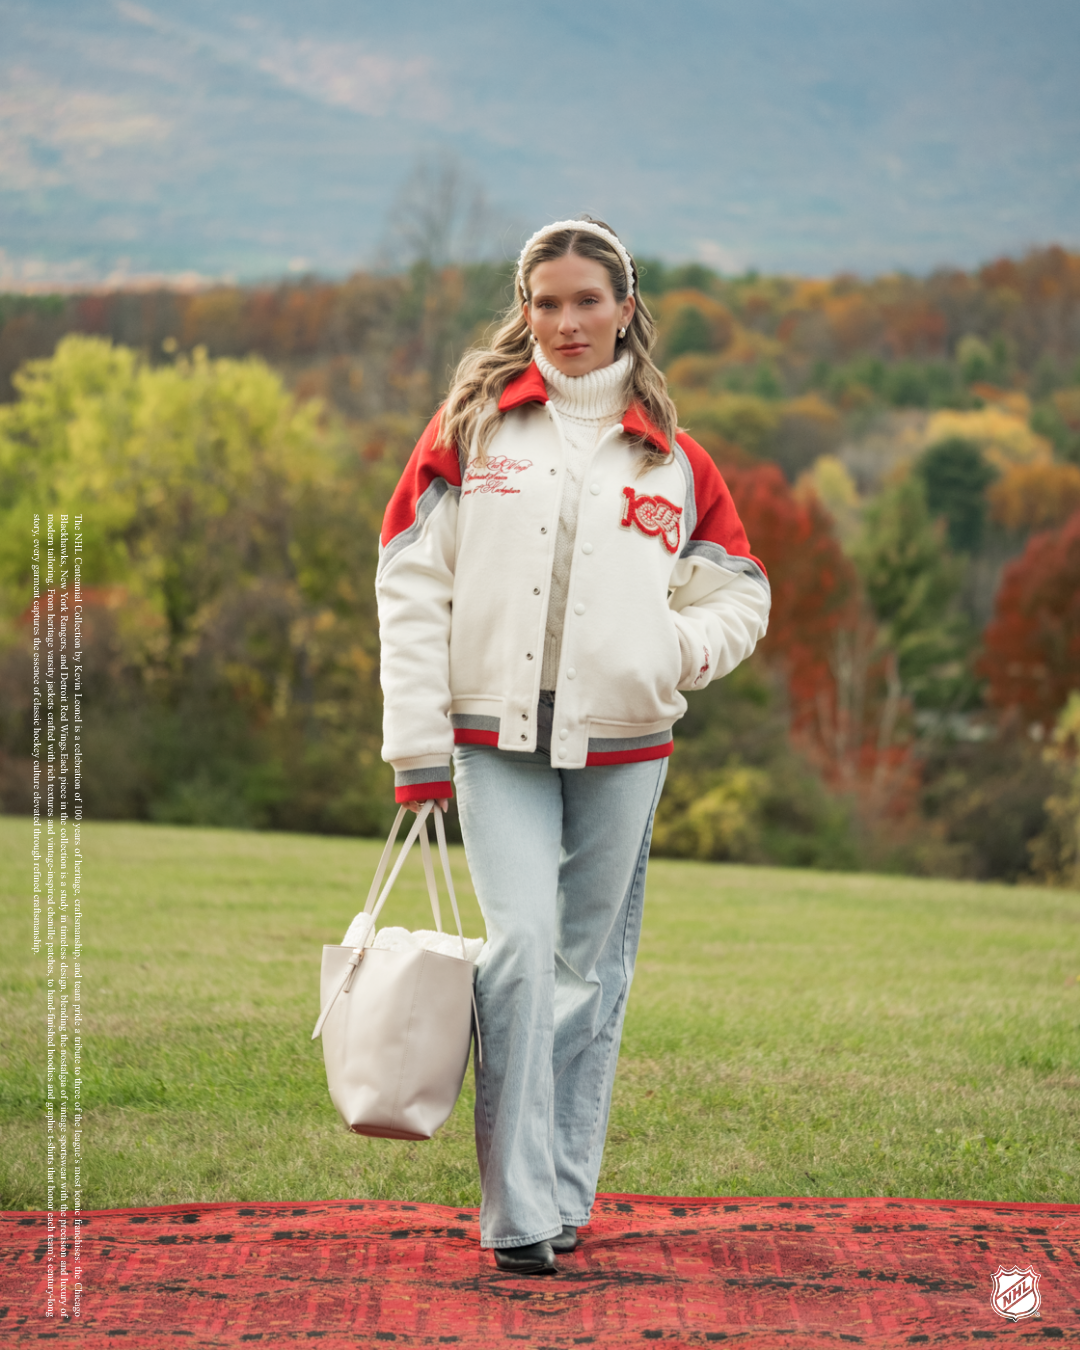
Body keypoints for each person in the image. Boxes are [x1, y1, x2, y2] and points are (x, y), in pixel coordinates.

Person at [376, 217, 770, 1275]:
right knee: (517, 955)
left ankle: (557, 1196)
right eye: (545, 303)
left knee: (586, 973)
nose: (565, 322)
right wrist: (414, 747)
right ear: (525, 310)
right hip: (486, 738)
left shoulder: (677, 461)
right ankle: (515, 1219)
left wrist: (669, 651)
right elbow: (409, 582)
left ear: (625, 307)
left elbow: (742, 593)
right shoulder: (472, 430)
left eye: (586, 301)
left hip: (626, 743)